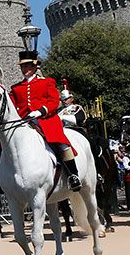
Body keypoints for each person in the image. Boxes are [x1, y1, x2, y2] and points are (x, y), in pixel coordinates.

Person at [11, 49, 81, 190]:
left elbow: (54, 102)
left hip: (46, 120)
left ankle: (73, 175)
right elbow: (12, 107)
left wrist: (40, 111)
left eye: (28, 66)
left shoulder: (47, 82)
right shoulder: (16, 88)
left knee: (62, 143)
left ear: (35, 66)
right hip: (25, 122)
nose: (25, 69)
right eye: (23, 67)